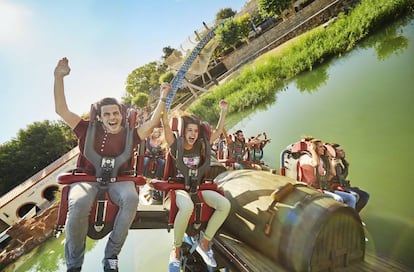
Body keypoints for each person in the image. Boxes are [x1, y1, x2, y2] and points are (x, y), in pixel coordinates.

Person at [54, 57, 171, 272]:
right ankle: (74, 265)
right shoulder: (86, 129)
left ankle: (111, 257)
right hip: (87, 179)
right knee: (78, 203)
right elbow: (61, 110)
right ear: (99, 117)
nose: (112, 117)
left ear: (121, 114)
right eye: (107, 114)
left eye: (116, 113)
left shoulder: (130, 134)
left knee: (131, 197)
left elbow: (153, 122)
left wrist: (163, 97)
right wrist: (58, 76)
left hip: (120, 180)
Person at [161, 99, 231, 270]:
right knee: (187, 207)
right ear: (183, 132)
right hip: (180, 189)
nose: (192, 133)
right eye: (189, 130)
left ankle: (205, 243)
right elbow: (166, 127)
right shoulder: (176, 145)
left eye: (195, 131)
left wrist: (223, 112)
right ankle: (176, 249)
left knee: (224, 204)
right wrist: (163, 102)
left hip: (197, 187)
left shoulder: (201, 144)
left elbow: (218, 131)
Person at [298, 138, 357, 208]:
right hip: (311, 188)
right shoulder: (305, 158)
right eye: (320, 147)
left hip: (322, 188)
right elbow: (315, 164)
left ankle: (349, 217)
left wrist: (329, 158)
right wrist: (313, 151)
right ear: (314, 148)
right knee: (338, 199)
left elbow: (330, 176)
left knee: (351, 198)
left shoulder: (321, 160)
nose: (323, 149)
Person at [330, 143, 370, 213]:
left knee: (363, 193)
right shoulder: (335, 162)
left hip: (341, 185)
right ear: (334, 152)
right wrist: (346, 168)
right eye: (340, 151)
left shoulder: (338, 162)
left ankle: (354, 213)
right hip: (336, 186)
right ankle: (352, 214)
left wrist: (346, 167)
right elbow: (341, 178)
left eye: (342, 150)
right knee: (361, 195)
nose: (343, 152)